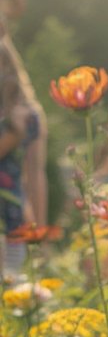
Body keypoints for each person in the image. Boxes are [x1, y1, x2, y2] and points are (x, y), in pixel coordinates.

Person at [0, 39, 44, 278]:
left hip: (13, 219)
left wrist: (40, 232)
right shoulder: (20, 122)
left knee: (9, 287)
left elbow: (36, 174)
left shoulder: (28, 115)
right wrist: (13, 136)